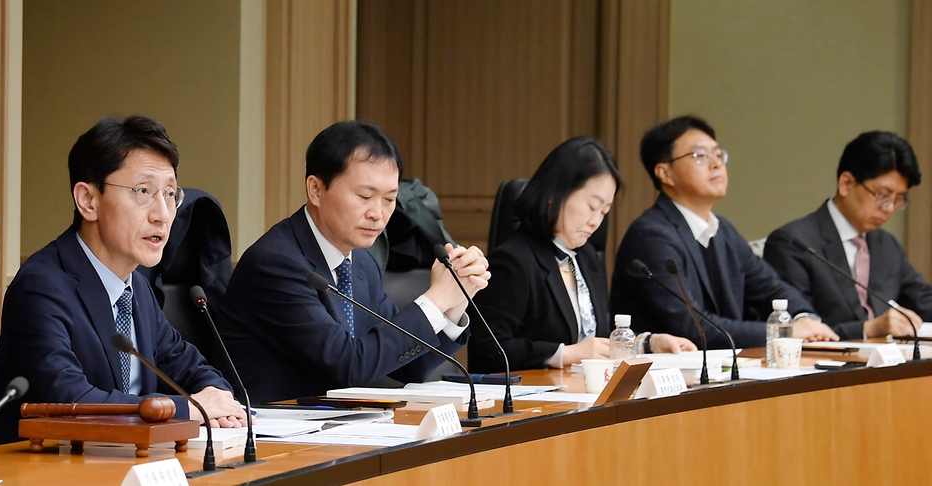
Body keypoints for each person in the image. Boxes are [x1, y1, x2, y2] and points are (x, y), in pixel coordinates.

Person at [0, 115, 245, 447]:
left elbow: (187, 366)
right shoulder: (42, 286)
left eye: (169, 194)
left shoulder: (136, 288)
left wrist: (219, 399)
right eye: (144, 191)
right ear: (88, 200)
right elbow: (69, 401)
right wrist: (188, 408)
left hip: (121, 463)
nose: (162, 214)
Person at [218, 120, 490, 403]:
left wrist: (455, 303)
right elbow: (349, 366)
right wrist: (435, 299)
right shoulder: (276, 263)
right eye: (364, 196)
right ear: (316, 190)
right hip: (272, 432)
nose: (378, 213)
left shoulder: (361, 263)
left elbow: (411, 366)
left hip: (336, 428)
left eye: (389, 199)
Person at [608, 116, 839, 349]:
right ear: (664, 173)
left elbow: (772, 288)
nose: (716, 164)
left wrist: (804, 319)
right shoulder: (652, 236)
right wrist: (785, 333)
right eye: (700, 156)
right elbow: (693, 328)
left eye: (718, 154)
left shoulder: (724, 231)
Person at [469, 137, 696, 373]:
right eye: (591, 206)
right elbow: (487, 351)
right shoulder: (514, 260)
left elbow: (596, 342)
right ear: (555, 194)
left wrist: (648, 343)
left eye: (604, 211)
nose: (596, 221)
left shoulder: (585, 258)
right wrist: (565, 354)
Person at [764, 131, 932, 340]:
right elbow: (798, 327)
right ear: (846, 184)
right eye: (882, 196)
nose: (889, 208)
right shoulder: (793, 243)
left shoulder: (886, 244)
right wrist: (869, 328)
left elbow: (924, 301)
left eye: (898, 199)